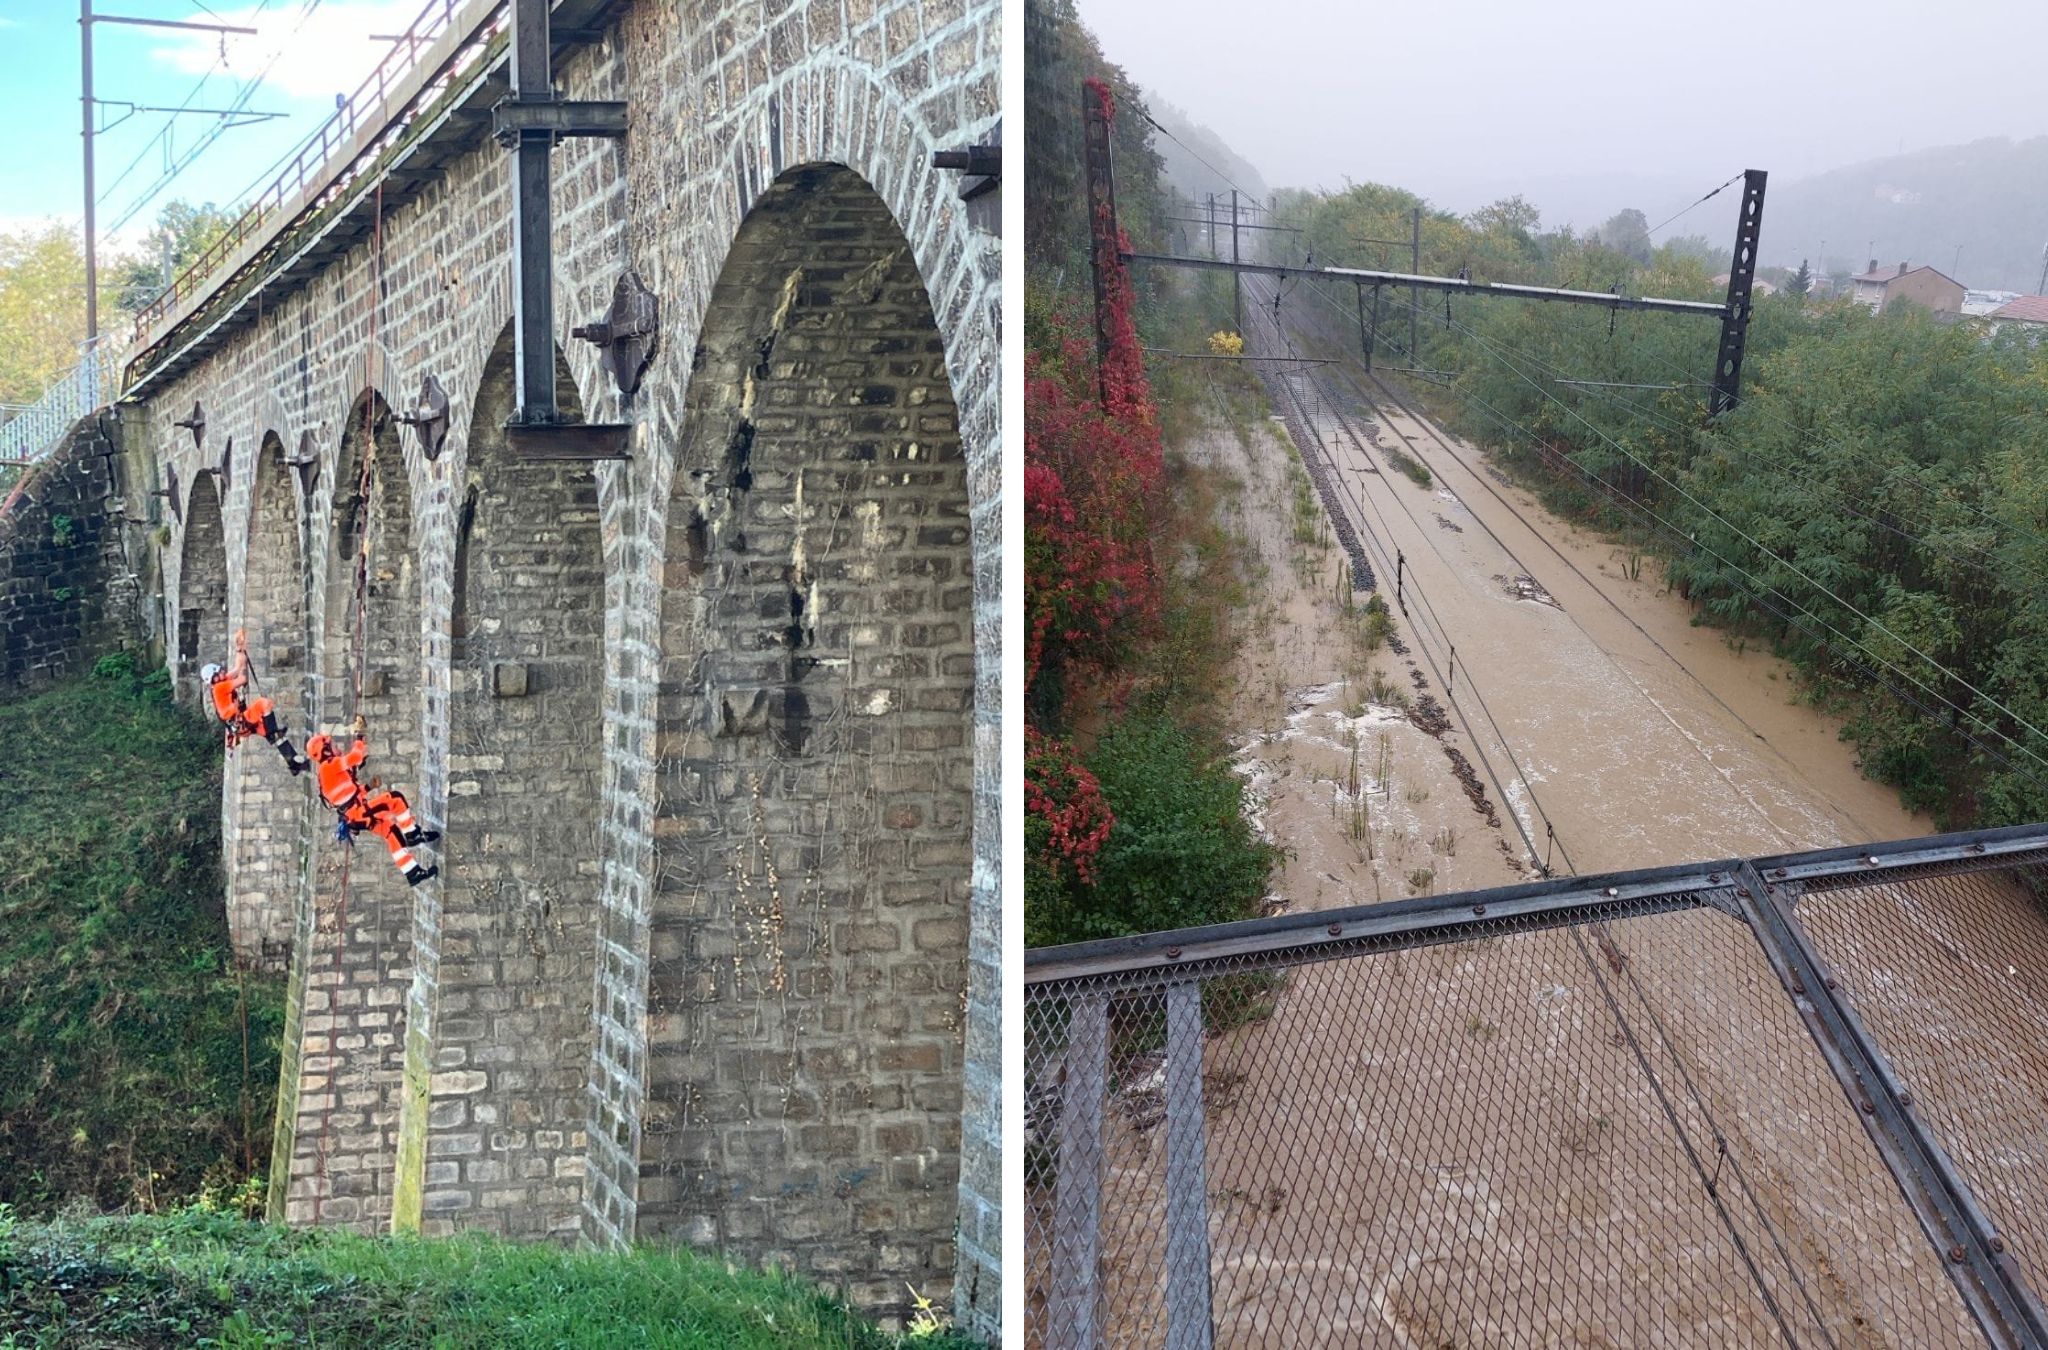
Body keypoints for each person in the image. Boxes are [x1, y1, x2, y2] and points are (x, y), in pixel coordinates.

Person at [307, 716, 440, 886]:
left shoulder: (328, 772)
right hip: (357, 814)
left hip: (355, 814)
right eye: (332, 745)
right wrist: (360, 735)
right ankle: (413, 834)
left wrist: (369, 787)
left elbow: (348, 796)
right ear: (325, 750)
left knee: (391, 831)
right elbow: (356, 757)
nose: (337, 747)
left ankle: (413, 872)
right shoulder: (329, 766)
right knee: (395, 799)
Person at [205, 631, 309, 775]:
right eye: (219, 672)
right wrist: (242, 664)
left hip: (240, 724)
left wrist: (239, 649)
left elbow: (237, 669)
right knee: (263, 704)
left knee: (276, 737)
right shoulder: (220, 687)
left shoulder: (220, 683)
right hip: (240, 721)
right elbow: (242, 679)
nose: (223, 672)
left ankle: (293, 764)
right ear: (215, 678)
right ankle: (273, 732)